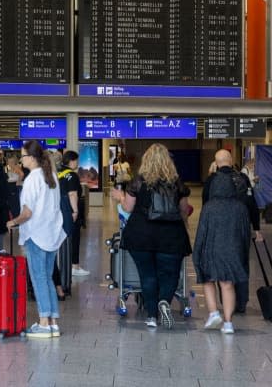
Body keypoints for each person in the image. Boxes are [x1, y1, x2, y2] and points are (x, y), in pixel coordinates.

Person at [110, 143, 192, 330]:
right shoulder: (177, 183)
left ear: (146, 160)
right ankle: (164, 301)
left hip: (141, 235)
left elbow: (128, 208)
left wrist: (120, 197)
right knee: (170, 274)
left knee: (147, 275)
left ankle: (152, 317)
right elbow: (183, 210)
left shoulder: (139, 182)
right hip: (171, 235)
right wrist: (184, 227)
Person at [7, 140, 66, 339]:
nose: (21, 160)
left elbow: (27, 212)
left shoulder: (33, 178)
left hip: (36, 234)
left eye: (23, 156)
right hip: (52, 233)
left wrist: (13, 222)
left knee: (39, 278)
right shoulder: (52, 177)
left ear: (31, 158)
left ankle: (42, 322)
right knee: (47, 277)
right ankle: (53, 323)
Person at [202, 149, 262, 314]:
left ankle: (227, 301)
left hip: (218, 228)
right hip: (240, 228)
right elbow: (252, 204)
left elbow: (205, 206)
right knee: (241, 261)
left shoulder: (212, 180)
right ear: (231, 160)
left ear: (216, 162)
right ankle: (241, 302)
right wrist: (256, 228)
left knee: (221, 263)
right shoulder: (242, 178)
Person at [194, 172, 251, 335]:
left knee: (207, 279)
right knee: (227, 284)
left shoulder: (209, 207)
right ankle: (228, 323)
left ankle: (213, 313)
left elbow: (201, 233)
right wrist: (243, 253)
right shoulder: (240, 208)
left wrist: (197, 252)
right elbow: (245, 233)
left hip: (212, 250)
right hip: (233, 251)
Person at [58, 151, 89, 277]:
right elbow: (73, 194)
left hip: (60, 209)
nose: (77, 163)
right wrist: (75, 211)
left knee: (62, 238)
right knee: (74, 238)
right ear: (71, 161)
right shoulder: (72, 175)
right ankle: (74, 266)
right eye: (76, 160)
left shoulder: (59, 173)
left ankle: (63, 264)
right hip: (70, 211)